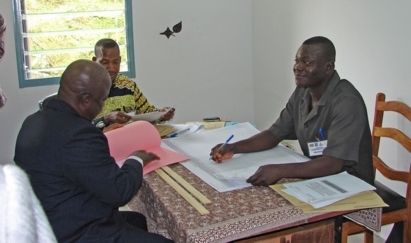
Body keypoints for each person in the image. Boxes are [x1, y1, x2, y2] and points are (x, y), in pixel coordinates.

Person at [14, 59, 173, 243]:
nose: (102, 106)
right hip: (74, 232)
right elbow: (119, 193)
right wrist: (135, 159)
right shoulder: (79, 134)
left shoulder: (32, 122)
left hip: (46, 221)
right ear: (86, 101)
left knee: (137, 220)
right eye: (103, 100)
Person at [210, 36, 374, 187]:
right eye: (297, 61)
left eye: (307, 62)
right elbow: (274, 134)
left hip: (350, 182)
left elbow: (333, 163)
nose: (298, 67)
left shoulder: (347, 102)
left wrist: (281, 170)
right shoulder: (303, 91)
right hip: (317, 174)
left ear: (328, 67)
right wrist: (234, 147)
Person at [91, 38, 175, 130]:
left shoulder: (128, 85)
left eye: (115, 62)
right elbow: (78, 128)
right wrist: (105, 120)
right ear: (95, 61)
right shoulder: (86, 89)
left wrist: (161, 115)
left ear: (120, 60)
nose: (111, 68)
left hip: (131, 139)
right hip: (99, 142)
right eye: (105, 62)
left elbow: (146, 114)